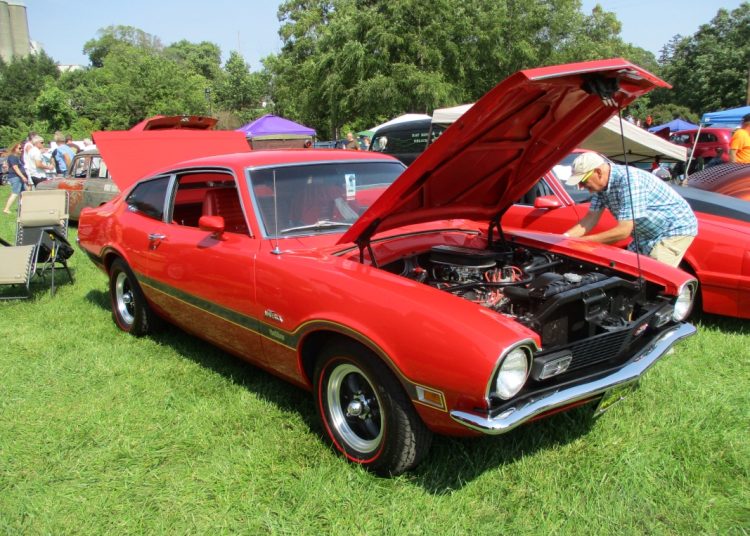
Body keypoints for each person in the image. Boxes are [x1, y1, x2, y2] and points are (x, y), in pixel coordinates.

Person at [563, 152, 698, 268]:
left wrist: (583, 244)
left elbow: (623, 231)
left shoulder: (629, 181)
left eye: (583, 181)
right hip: (645, 235)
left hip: (673, 229)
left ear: (598, 172)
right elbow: (589, 220)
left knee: (653, 276)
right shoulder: (601, 188)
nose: (581, 186)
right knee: (627, 272)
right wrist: (564, 239)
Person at [3, 143, 33, 214]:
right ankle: (6, 209)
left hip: (18, 177)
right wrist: (23, 176)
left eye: (21, 148)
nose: (21, 149)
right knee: (15, 193)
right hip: (15, 177)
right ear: (14, 149)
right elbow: (15, 168)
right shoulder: (13, 157)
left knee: (23, 193)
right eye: (19, 148)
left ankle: (22, 208)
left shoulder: (16, 157)